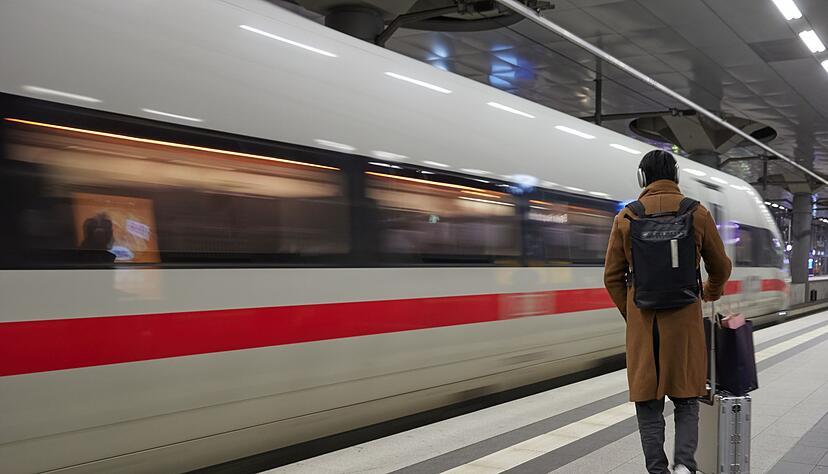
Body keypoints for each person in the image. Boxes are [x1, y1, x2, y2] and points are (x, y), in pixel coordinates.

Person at [603, 150, 732, 474]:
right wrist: (708, 292)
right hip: (684, 322)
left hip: (644, 327)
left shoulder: (626, 217)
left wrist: (632, 312)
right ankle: (685, 466)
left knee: (649, 404)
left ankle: (657, 470)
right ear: (675, 178)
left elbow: (611, 277)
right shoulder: (697, 213)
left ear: (642, 179)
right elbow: (721, 266)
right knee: (687, 398)